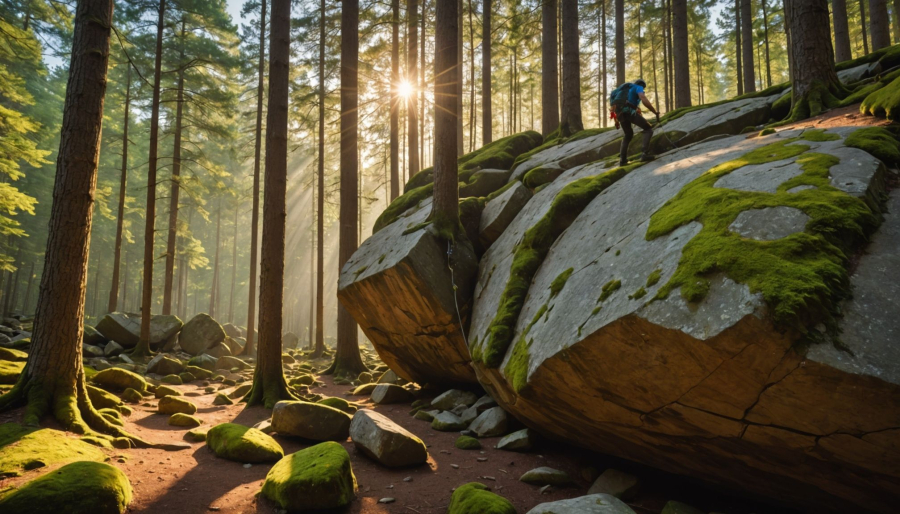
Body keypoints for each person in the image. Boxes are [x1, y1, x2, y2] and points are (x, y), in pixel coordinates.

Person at [613, 78, 659, 166]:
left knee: (628, 134)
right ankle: (645, 154)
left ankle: (622, 160)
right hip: (629, 112)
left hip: (620, 114)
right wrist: (654, 111)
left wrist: (616, 120)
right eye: (643, 88)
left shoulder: (626, 91)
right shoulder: (638, 87)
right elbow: (643, 98)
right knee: (648, 129)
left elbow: (614, 106)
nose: (643, 90)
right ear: (641, 85)